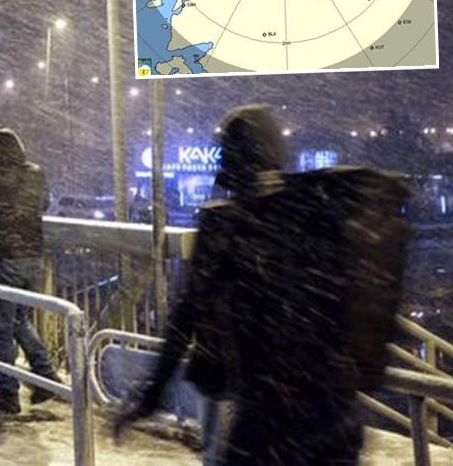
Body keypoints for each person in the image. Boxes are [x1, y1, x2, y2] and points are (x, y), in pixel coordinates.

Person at [115, 105, 412, 465]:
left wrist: (150, 395)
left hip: (265, 425)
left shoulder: (227, 224)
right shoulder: (319, 210)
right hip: (336, 419)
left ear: (228, 159)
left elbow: (187, 313)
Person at [0, 128, 58, 414]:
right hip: (33, 257)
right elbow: (44, 204)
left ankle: (8, 393)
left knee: (3, 328)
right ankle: (46, 377)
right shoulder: (35, 173)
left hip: (5, 259)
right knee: (21, 321)